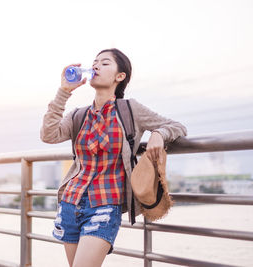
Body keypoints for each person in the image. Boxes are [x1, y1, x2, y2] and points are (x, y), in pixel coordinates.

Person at [40, 48, 187, 267]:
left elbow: (176, 127)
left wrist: (158, 134)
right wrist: (64, 91)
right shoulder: (79, 115)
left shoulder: (130, 110)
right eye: (95, 62)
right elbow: (48, 135)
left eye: (105, 63)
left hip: (105, 205)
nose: (96, 65)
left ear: (120, 76)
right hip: (70, 202)